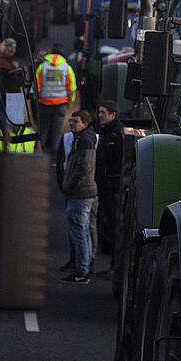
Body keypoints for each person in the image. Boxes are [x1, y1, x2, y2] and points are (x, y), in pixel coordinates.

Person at [60, 110, 97, 284]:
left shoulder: (84, 140)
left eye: (76, 121)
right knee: (83, 232)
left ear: (85, 123)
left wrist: (69, 185)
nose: (71, 124)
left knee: (80, 233)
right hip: (83, 191)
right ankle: (84, 268)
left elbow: (83, 167)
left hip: (80, 192)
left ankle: (82, 271)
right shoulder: (82, 138)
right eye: (71, 120)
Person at [94, 101, 123, 260]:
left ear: (113, 115)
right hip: (102, 183)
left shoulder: (117, 134)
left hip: (111, 185)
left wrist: (112, 176)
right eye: (99, 112)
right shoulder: (101, 131)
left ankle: (111, 252)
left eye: (103, 113)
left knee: (111, 218)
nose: (100, 116)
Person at [35, 44, 77, 154]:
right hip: (61, 103)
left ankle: (39, 151)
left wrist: (37, 98)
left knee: (43, 128)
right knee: (57, 129)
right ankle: (55, 153)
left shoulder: (42, 66)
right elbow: (71, 88)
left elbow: (36, 86)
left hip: (45, 102)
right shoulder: (66, 67)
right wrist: (70, 102)